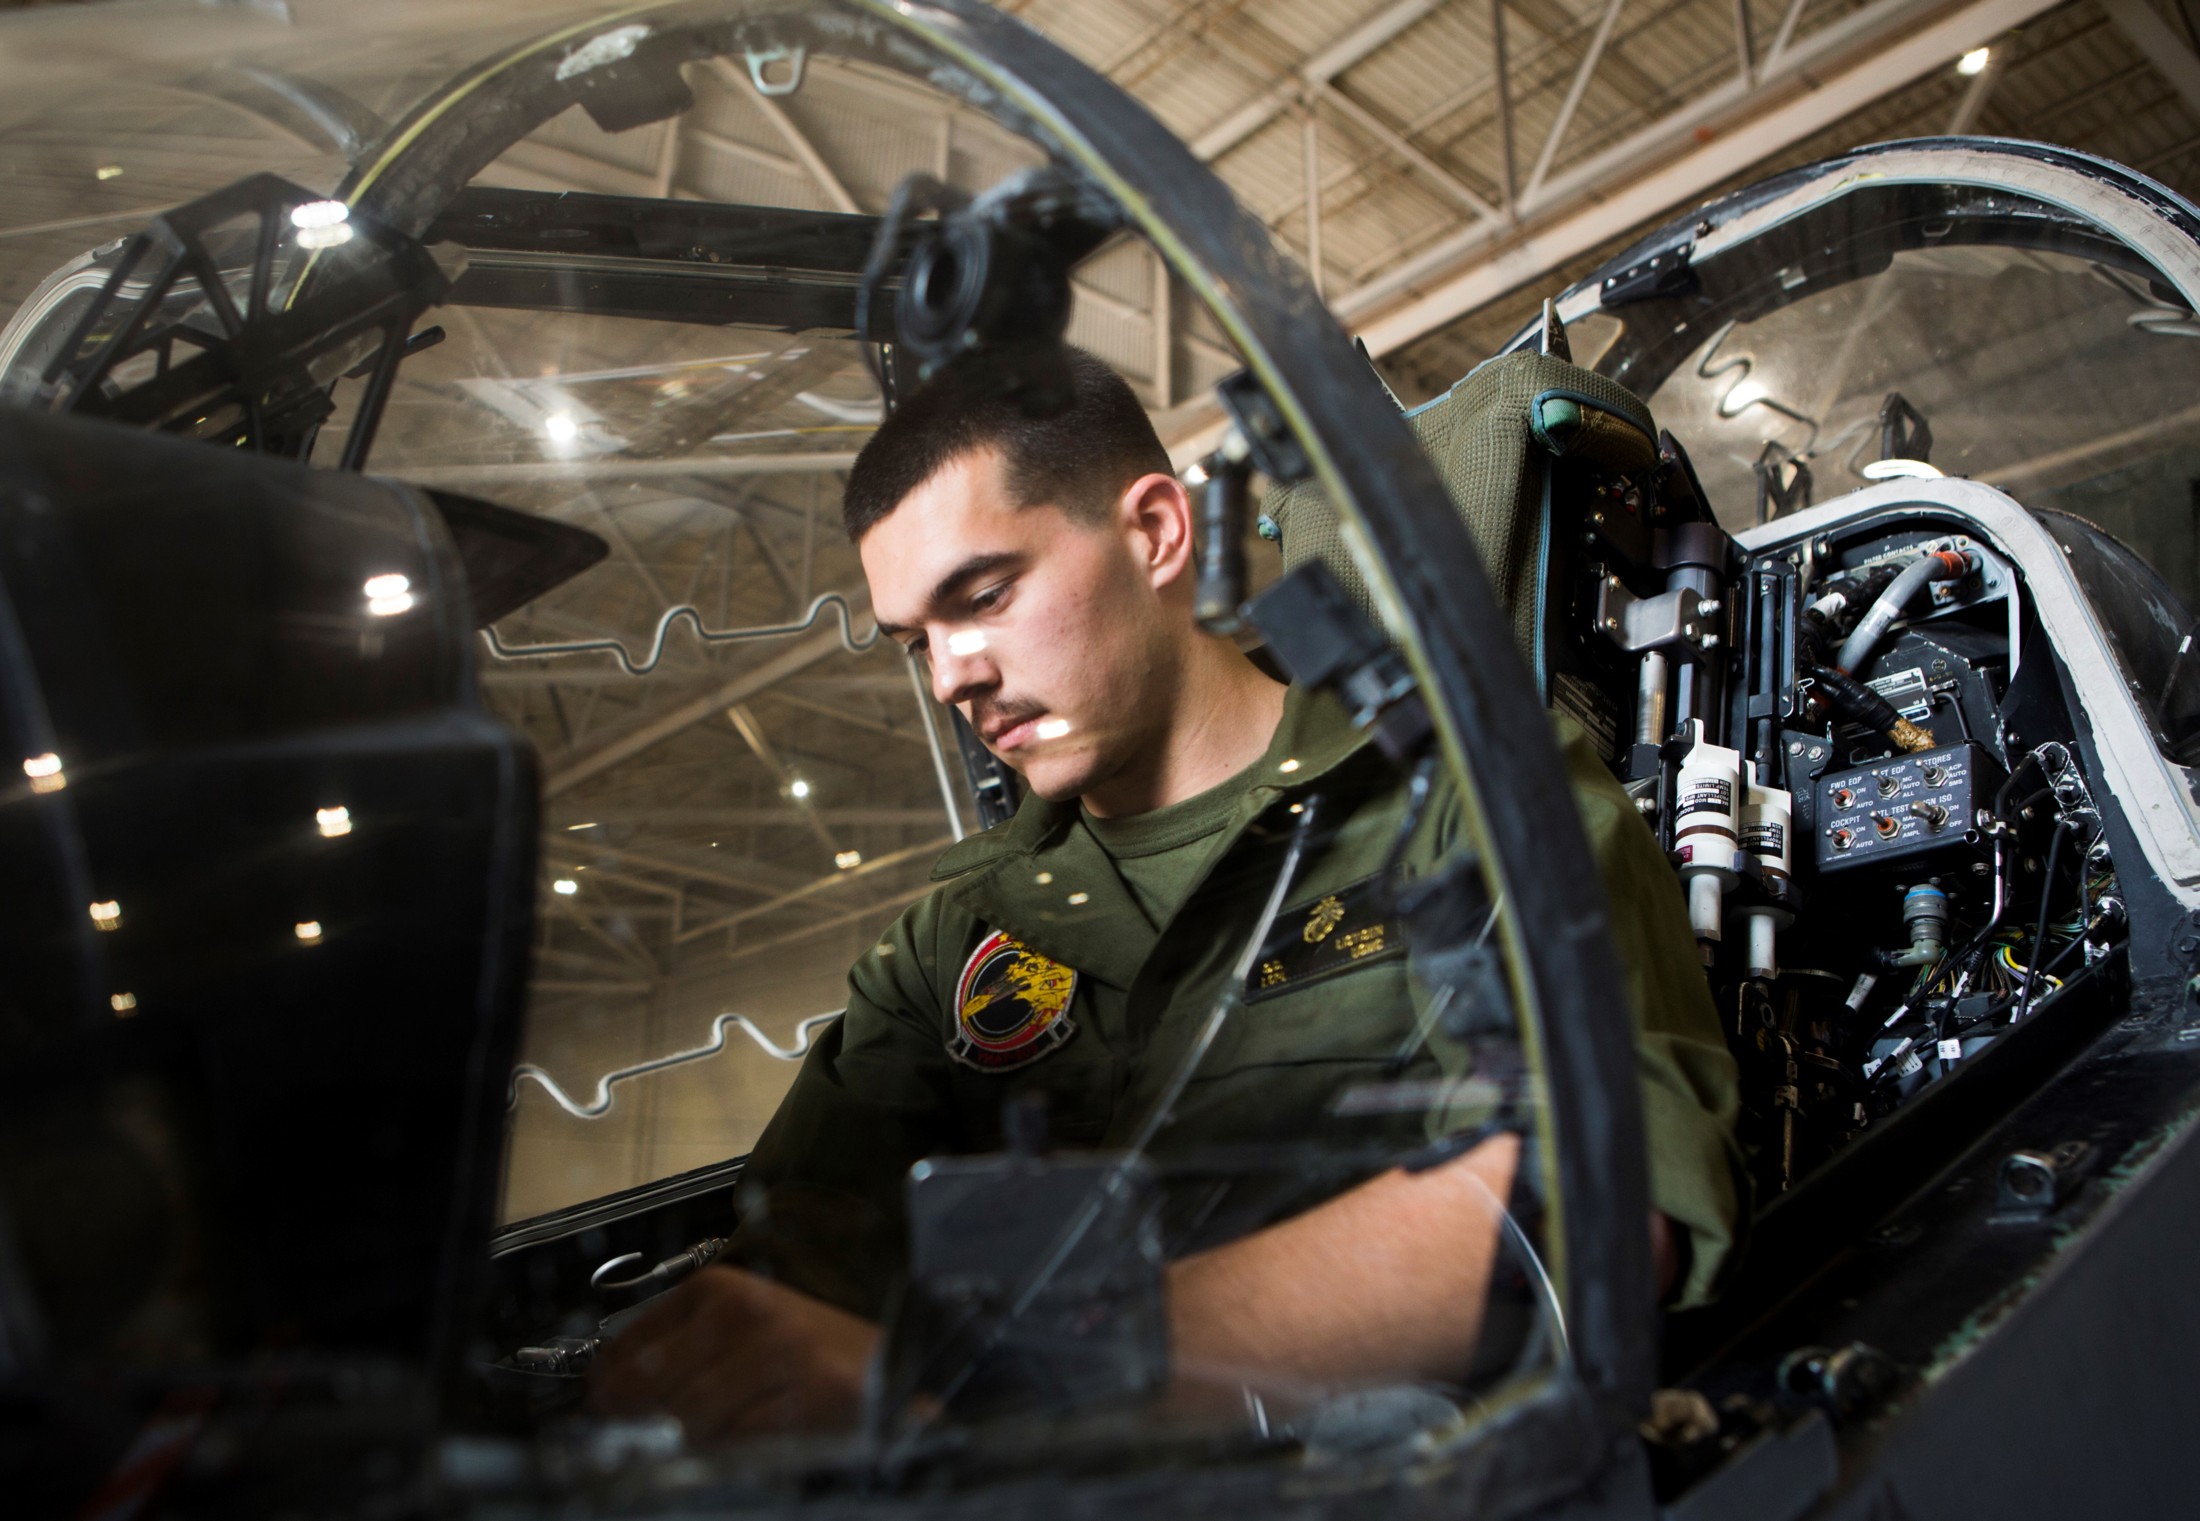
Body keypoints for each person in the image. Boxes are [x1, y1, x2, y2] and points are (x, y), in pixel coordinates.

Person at [589, 348, 1741, 1441]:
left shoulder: (1464, 798)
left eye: (982, 596)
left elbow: (1594, 1204)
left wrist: (1032, 1376)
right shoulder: (953, 944)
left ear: (1153, 531)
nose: (951, 676)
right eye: (915, 641)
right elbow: (785, 1287)